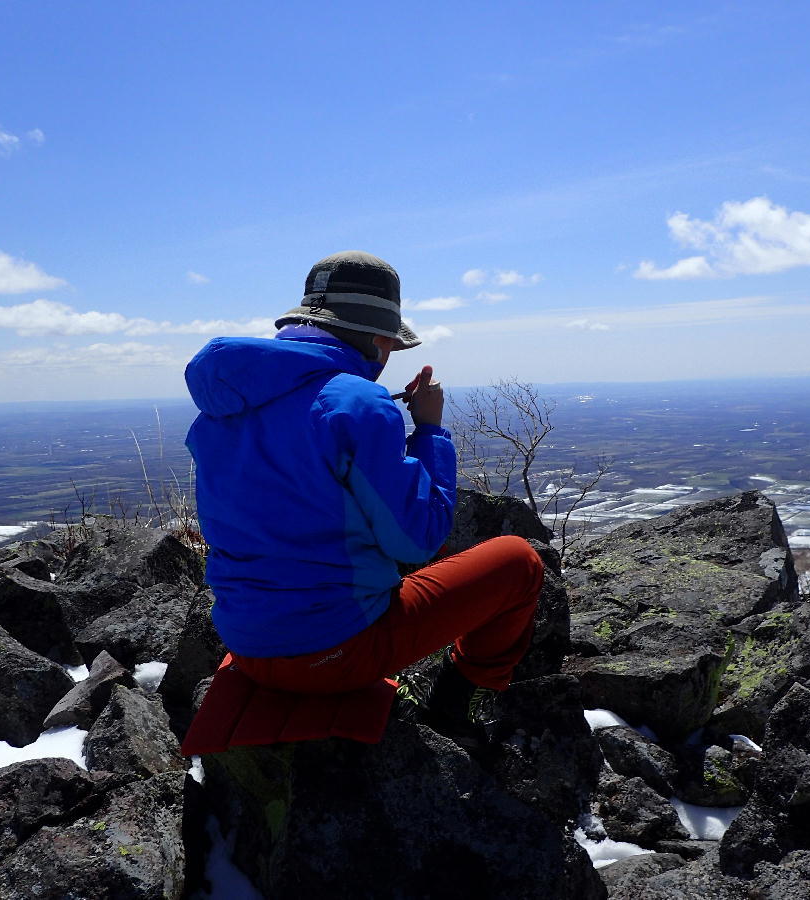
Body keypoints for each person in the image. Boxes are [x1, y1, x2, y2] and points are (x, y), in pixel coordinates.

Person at [184, 250, 543, 746]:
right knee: (519, 561)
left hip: (246, 643)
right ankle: (457, 704)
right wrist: (430, 431)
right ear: (378, 339)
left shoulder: (225, 407)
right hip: (335, 654)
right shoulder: (356, 402)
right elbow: (418, 539)